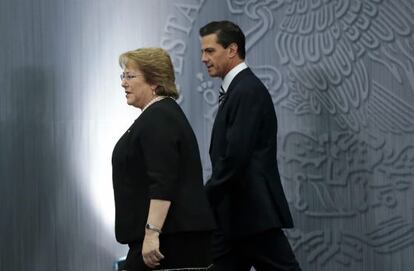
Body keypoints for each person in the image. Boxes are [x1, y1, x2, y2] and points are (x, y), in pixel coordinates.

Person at [199, 21, 302, 271]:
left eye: (210, 51)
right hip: (236, 216)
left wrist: (203, 197)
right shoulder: (240, 89)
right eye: (203, 51)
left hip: (251, 215)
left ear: (232, 49)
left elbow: (235, 157)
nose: (203, 58)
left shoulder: (247, 91)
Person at [112, 47, 215, 271]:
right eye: (123, 76)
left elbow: (163, 180)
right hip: (168, 238)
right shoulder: (158, 115)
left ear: (154, 81)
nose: (123, 83)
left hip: (168, 242)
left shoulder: (159, 117)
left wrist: (152, 233)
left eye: (130, 76)